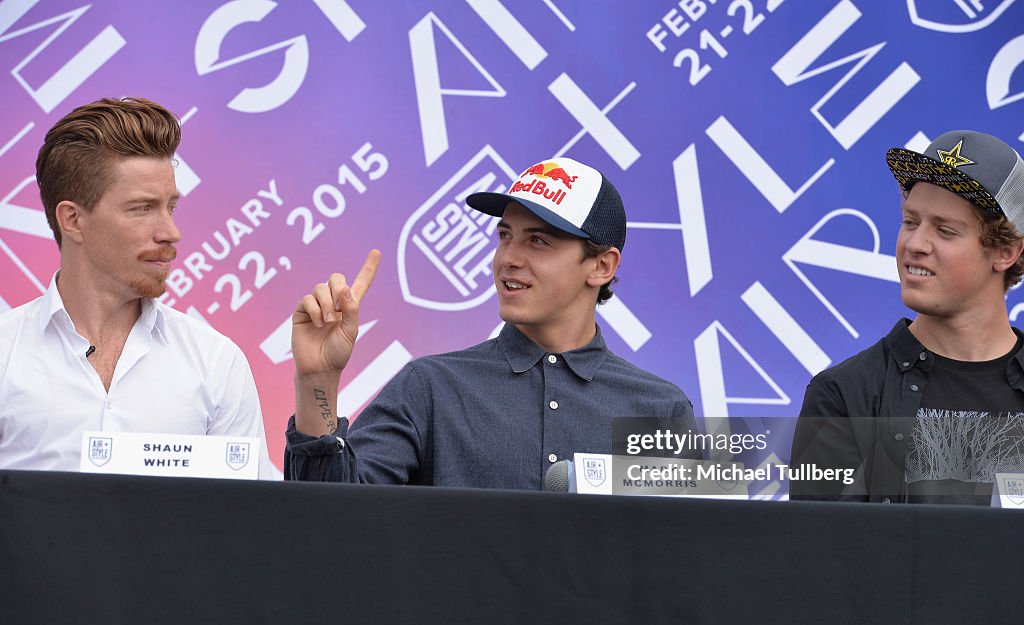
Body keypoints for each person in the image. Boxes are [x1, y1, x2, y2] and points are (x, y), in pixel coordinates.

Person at [285, 157, 695, 488]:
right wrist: (317, 383)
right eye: (504, 235)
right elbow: (332, 522)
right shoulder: (430, 387)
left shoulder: (660, 409)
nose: (507, 258)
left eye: (537, 240)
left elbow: (685, 561)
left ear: (602, 266)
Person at [0, 97, 278, 479]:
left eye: (171, 207)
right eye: (142, 208)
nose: (171, 232)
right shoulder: (6, 354)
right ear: (73, 219)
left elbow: (250, 521)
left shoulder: (215, 361)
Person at [791, 130, 1024, 503]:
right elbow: (818, 555)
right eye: (910, 221)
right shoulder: (842, 395)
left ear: (1006, 252)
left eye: (945, 230)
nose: (914, 244)